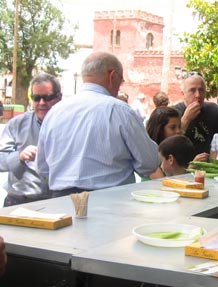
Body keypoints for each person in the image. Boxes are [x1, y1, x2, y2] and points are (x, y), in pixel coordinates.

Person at [37, 51, 160, 196]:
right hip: (110, 201)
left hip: (62, 200)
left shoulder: (55, 112)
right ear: (112, 76)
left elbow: (42, 167)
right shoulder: (120, 111)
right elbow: (149, 163)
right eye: (120, 81)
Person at [0, 73, 62, 206]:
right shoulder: (16, 124)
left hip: (56, 200)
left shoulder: (70, 125)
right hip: (18, 200)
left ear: (59, 97)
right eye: (36, 98)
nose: (41, 103)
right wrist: (19, 156)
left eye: (47, 98)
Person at [145, 106, 208, 178]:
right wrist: (190, 169)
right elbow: (165, 184)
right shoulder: (150, 157)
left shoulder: (178, 150)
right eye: (172, 127)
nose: (178, 131)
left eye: (179, 126)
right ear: (159, 130)